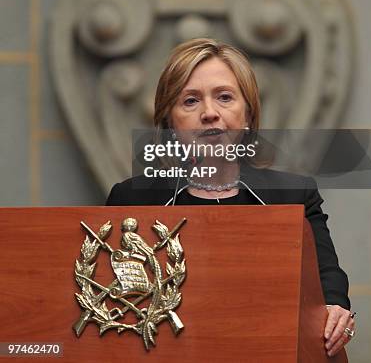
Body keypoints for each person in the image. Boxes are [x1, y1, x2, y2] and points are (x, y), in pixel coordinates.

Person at [106, 38, 356, 357]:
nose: (210, 113)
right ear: (169, 121)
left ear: (248, 114)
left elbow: (327, 280)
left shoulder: (294, 196)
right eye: (190, 101)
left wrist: (336, 312)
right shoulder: (131, 200)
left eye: (224, 97)